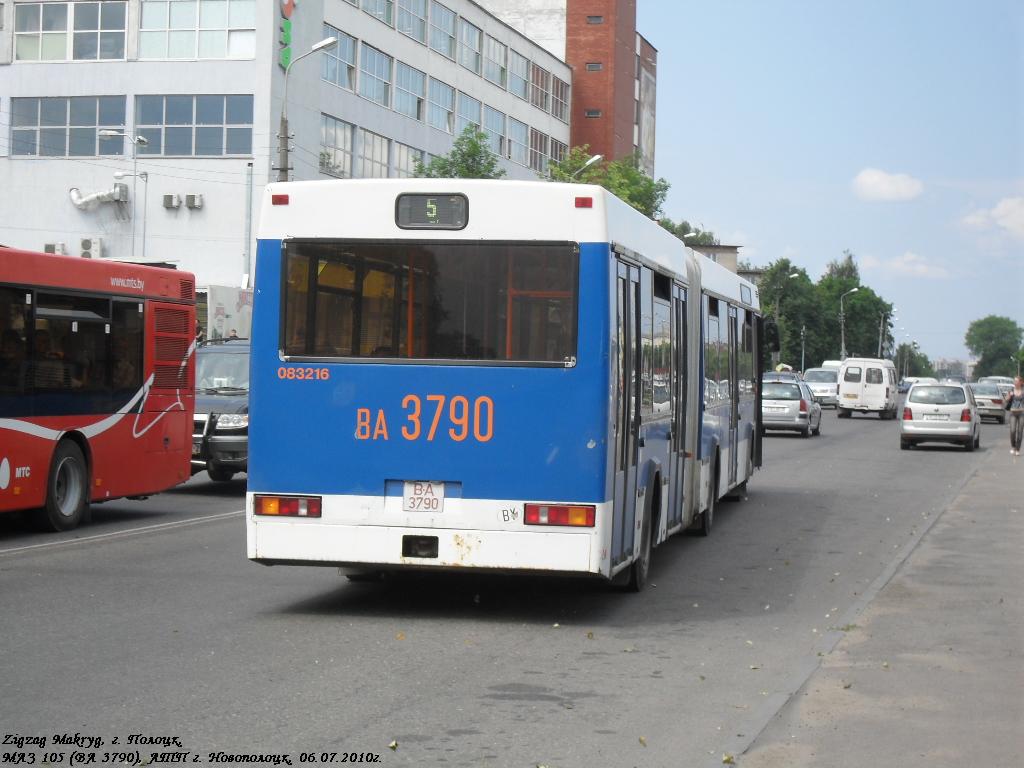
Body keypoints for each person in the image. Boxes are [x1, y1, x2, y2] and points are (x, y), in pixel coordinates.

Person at [1006, 376, 1024, 456]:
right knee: (1012, 431)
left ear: (1020, 382)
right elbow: (1006, 399)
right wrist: (1009, 396)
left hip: (1021, 413)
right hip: (1013, 413)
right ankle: (1013, 446)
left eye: (1016, 381)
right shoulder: (1011, 391)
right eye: (1014, 381)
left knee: (1020, 432)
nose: (1015, 382)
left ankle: (1017, 449)